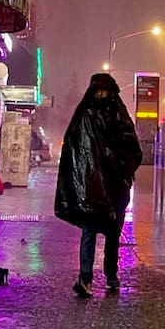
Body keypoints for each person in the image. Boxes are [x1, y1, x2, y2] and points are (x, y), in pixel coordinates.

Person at [54, 73, 143, 298]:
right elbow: (76, 149)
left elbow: (131, 146)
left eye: (104, 91)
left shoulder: (117, 116)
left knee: (113, 232)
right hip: (93, 186)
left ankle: (110, 274)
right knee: (90, 230)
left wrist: (122, 170)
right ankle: (85, 279)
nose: (100, 95)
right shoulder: (86, 116)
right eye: (97, 91)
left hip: (114, 184)